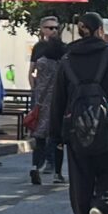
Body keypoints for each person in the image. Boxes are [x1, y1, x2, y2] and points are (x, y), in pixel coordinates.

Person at [47, 12, 108, 214]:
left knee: (80, 176)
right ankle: (101, 206)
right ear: (100, 31)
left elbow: (57, 99)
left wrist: (55, 135)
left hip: (75, 127)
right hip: (107, 125)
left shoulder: (67, 59)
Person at [26, 14, 68, 187]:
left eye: (56, 28)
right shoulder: (62, 56)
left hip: (43, 99)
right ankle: (56, 171)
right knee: (56, 136)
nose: (53, 30)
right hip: (57, 100)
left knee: (40, 135)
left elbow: (33, 72)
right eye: (50, 27)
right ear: (42, 29)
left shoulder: (43, 58)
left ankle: (38, 166)